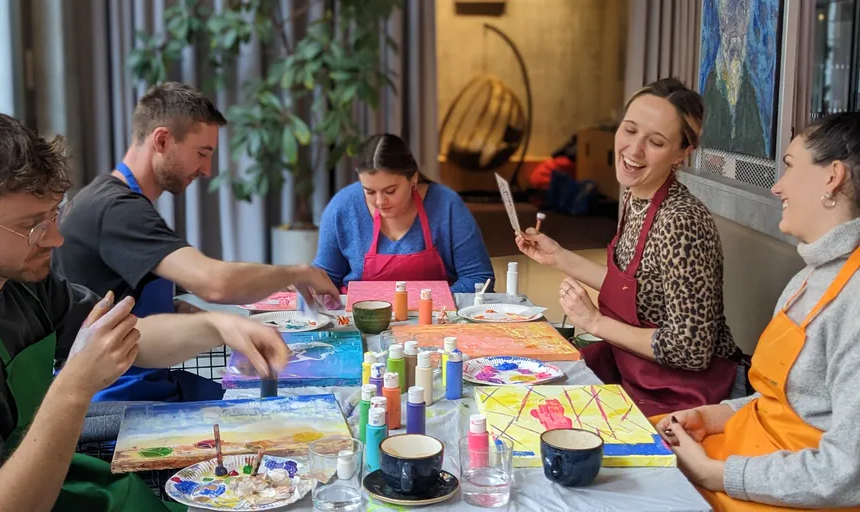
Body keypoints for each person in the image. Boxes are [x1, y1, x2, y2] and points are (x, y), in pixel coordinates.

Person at [0, 106, 288, 511]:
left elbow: (132, 337)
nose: (55, 239)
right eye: (30, 226)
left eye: (53, 216)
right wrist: (73, 389)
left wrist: (218, 327)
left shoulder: (27, 284)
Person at [53, 82, 338, 403]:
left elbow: (116, 294)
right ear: (161, 140)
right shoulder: (117, 209)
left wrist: (178, 310)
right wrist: (296, 272)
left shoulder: (112, 200)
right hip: (117, 395)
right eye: (201, 154)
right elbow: (216, 283)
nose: (206, 170)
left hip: (146, 374)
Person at [655, 113, 860, 510]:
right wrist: (713, 416)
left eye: (788, 165)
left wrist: (716, 474)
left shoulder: (854, 300)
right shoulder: (810, 276)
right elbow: (782, 403)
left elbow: (847, 471)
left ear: (832, 176)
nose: (776, 186)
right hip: (743, 451)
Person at [516, 78, 742, 417]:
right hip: (634, 370)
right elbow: (635, 288)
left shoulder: (681, 221)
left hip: (686, 394)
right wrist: (558, 256)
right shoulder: (636, 195)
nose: (634, 151)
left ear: (682, 152)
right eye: (630, 130)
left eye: (655, 142)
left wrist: (594, 322)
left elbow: (690, 349)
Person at [313, 133, 494, 293]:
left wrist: (431, 303)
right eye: (369, 192)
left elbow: (479, 278)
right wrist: (309, 286)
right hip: (360, 321)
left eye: (390, 191)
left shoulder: (447, 206)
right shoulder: (343, 206)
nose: (380, 202)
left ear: (413, 178)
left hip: (435, 322)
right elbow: (327, 276)